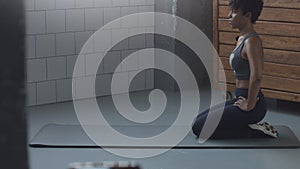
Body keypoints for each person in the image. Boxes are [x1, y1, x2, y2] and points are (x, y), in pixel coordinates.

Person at [192, 0, 278, 139]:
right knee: (198, 120)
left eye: (234, 12)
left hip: (252, 104)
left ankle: (254, 131)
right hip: (240, 98)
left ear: (247, 15)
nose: (229, 16)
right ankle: (248, 125)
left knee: (199, 128)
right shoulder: (241, 39)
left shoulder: (252, 41)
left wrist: (249, 104)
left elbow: (257, 76)